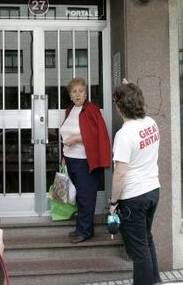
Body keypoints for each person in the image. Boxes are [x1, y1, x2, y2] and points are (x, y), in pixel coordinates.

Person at [109, 82, 162, 285]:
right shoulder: (151, 123)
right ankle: (154, 281)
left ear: (120, 107)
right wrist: (132, 87)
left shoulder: (124, 135)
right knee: (146, 240)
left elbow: (120, 173)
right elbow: (136, 99)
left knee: (138, 250)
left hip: (133, 198)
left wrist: (113, 203)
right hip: (152, 191)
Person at [60, 77, 111, 243]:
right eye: (74, 92)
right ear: (70, 95)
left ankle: (86, 231)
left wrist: (76, 139)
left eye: (81, 91)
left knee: (85, 197)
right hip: (71, 159)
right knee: (79, 197)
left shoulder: (92, 110)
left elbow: (98, 135)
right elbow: (66, 134)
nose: (77, 94)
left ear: (86, 93)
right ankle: (80, 228)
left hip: (86, 161)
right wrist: (63, 156)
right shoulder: (70, 110)